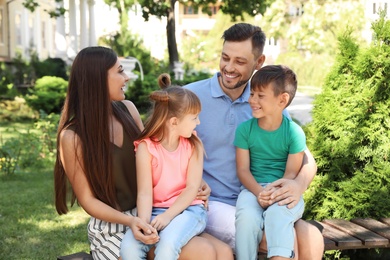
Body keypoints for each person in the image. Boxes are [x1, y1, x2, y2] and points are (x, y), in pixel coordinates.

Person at [54, 46, 232, 260]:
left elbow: (157, 156)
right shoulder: (72, 136)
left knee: (224, 253)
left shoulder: (128, 110)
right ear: (98, 78)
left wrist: (195, 181)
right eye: (120, 71)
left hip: (150, 211)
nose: (126, 77)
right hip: (114, 225)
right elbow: (88, 201)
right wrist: (131, 221)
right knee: (203, 253)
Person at [184, 23, 324, 259]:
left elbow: (306, 159)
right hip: (214, 203)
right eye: (225, 58)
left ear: (259, 63)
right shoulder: (190, 97)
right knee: (274, 240)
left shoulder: (266, 100)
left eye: (240, 62)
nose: (228, 68)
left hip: (263, 198)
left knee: (312, 237)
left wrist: (298, 185)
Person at [120, 74, 222, 259]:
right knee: (129, 248)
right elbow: (144, 193)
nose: (198, 122)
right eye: (194, 118)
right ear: (174, 122)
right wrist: (144, 224)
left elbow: (192, 188)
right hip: (155, 211)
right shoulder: (145, 148)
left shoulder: (194, 144)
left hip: (190, 210)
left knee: (168, 244)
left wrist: (168, 216)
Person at [234, 65, 306, 260]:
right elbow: (243, 170)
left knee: (277, 215)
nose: (252, 100)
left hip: (285, 190)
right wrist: (260, 193)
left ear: (282, 100)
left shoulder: (294, 133)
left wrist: (275, 193)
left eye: (260, 96)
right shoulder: (244, 130)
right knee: (246, 218)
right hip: (252, 190)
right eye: (252, 94)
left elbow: (291, 173)